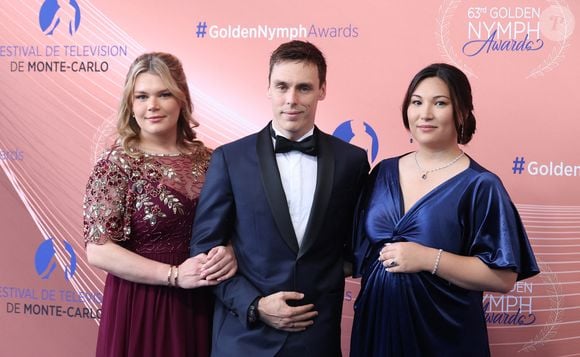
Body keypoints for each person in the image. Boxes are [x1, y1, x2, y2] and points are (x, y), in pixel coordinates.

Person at [190, 40, 369, 356]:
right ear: (268, 89)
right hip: (245, 340)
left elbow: (358, 245)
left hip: (317, 338)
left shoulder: (352, 161)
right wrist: (255, 305)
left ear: (322, 90)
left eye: (304, 88)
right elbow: (204, 253)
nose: (292, 99)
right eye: (282, 86)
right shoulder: (230, 158)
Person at [350, 63, 539, 356]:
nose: (425, 114)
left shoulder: (481, 185)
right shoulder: (382, 172)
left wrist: (427, 258)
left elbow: (502, 277)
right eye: (416, 102)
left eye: (440, 103)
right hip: (377, 327)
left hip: (443, 335)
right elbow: (354, 256)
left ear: (461, 112)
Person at [83, 52, 237, 357]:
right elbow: (98, 250)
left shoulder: (211, 159)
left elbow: (235, 227)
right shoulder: (116, 164)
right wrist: (174, 275)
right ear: (130, 105)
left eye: (163, 94)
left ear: (181, 99)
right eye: (141, 96)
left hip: (204, 300)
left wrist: (231, 252)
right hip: (142, 303)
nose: (151, 105)